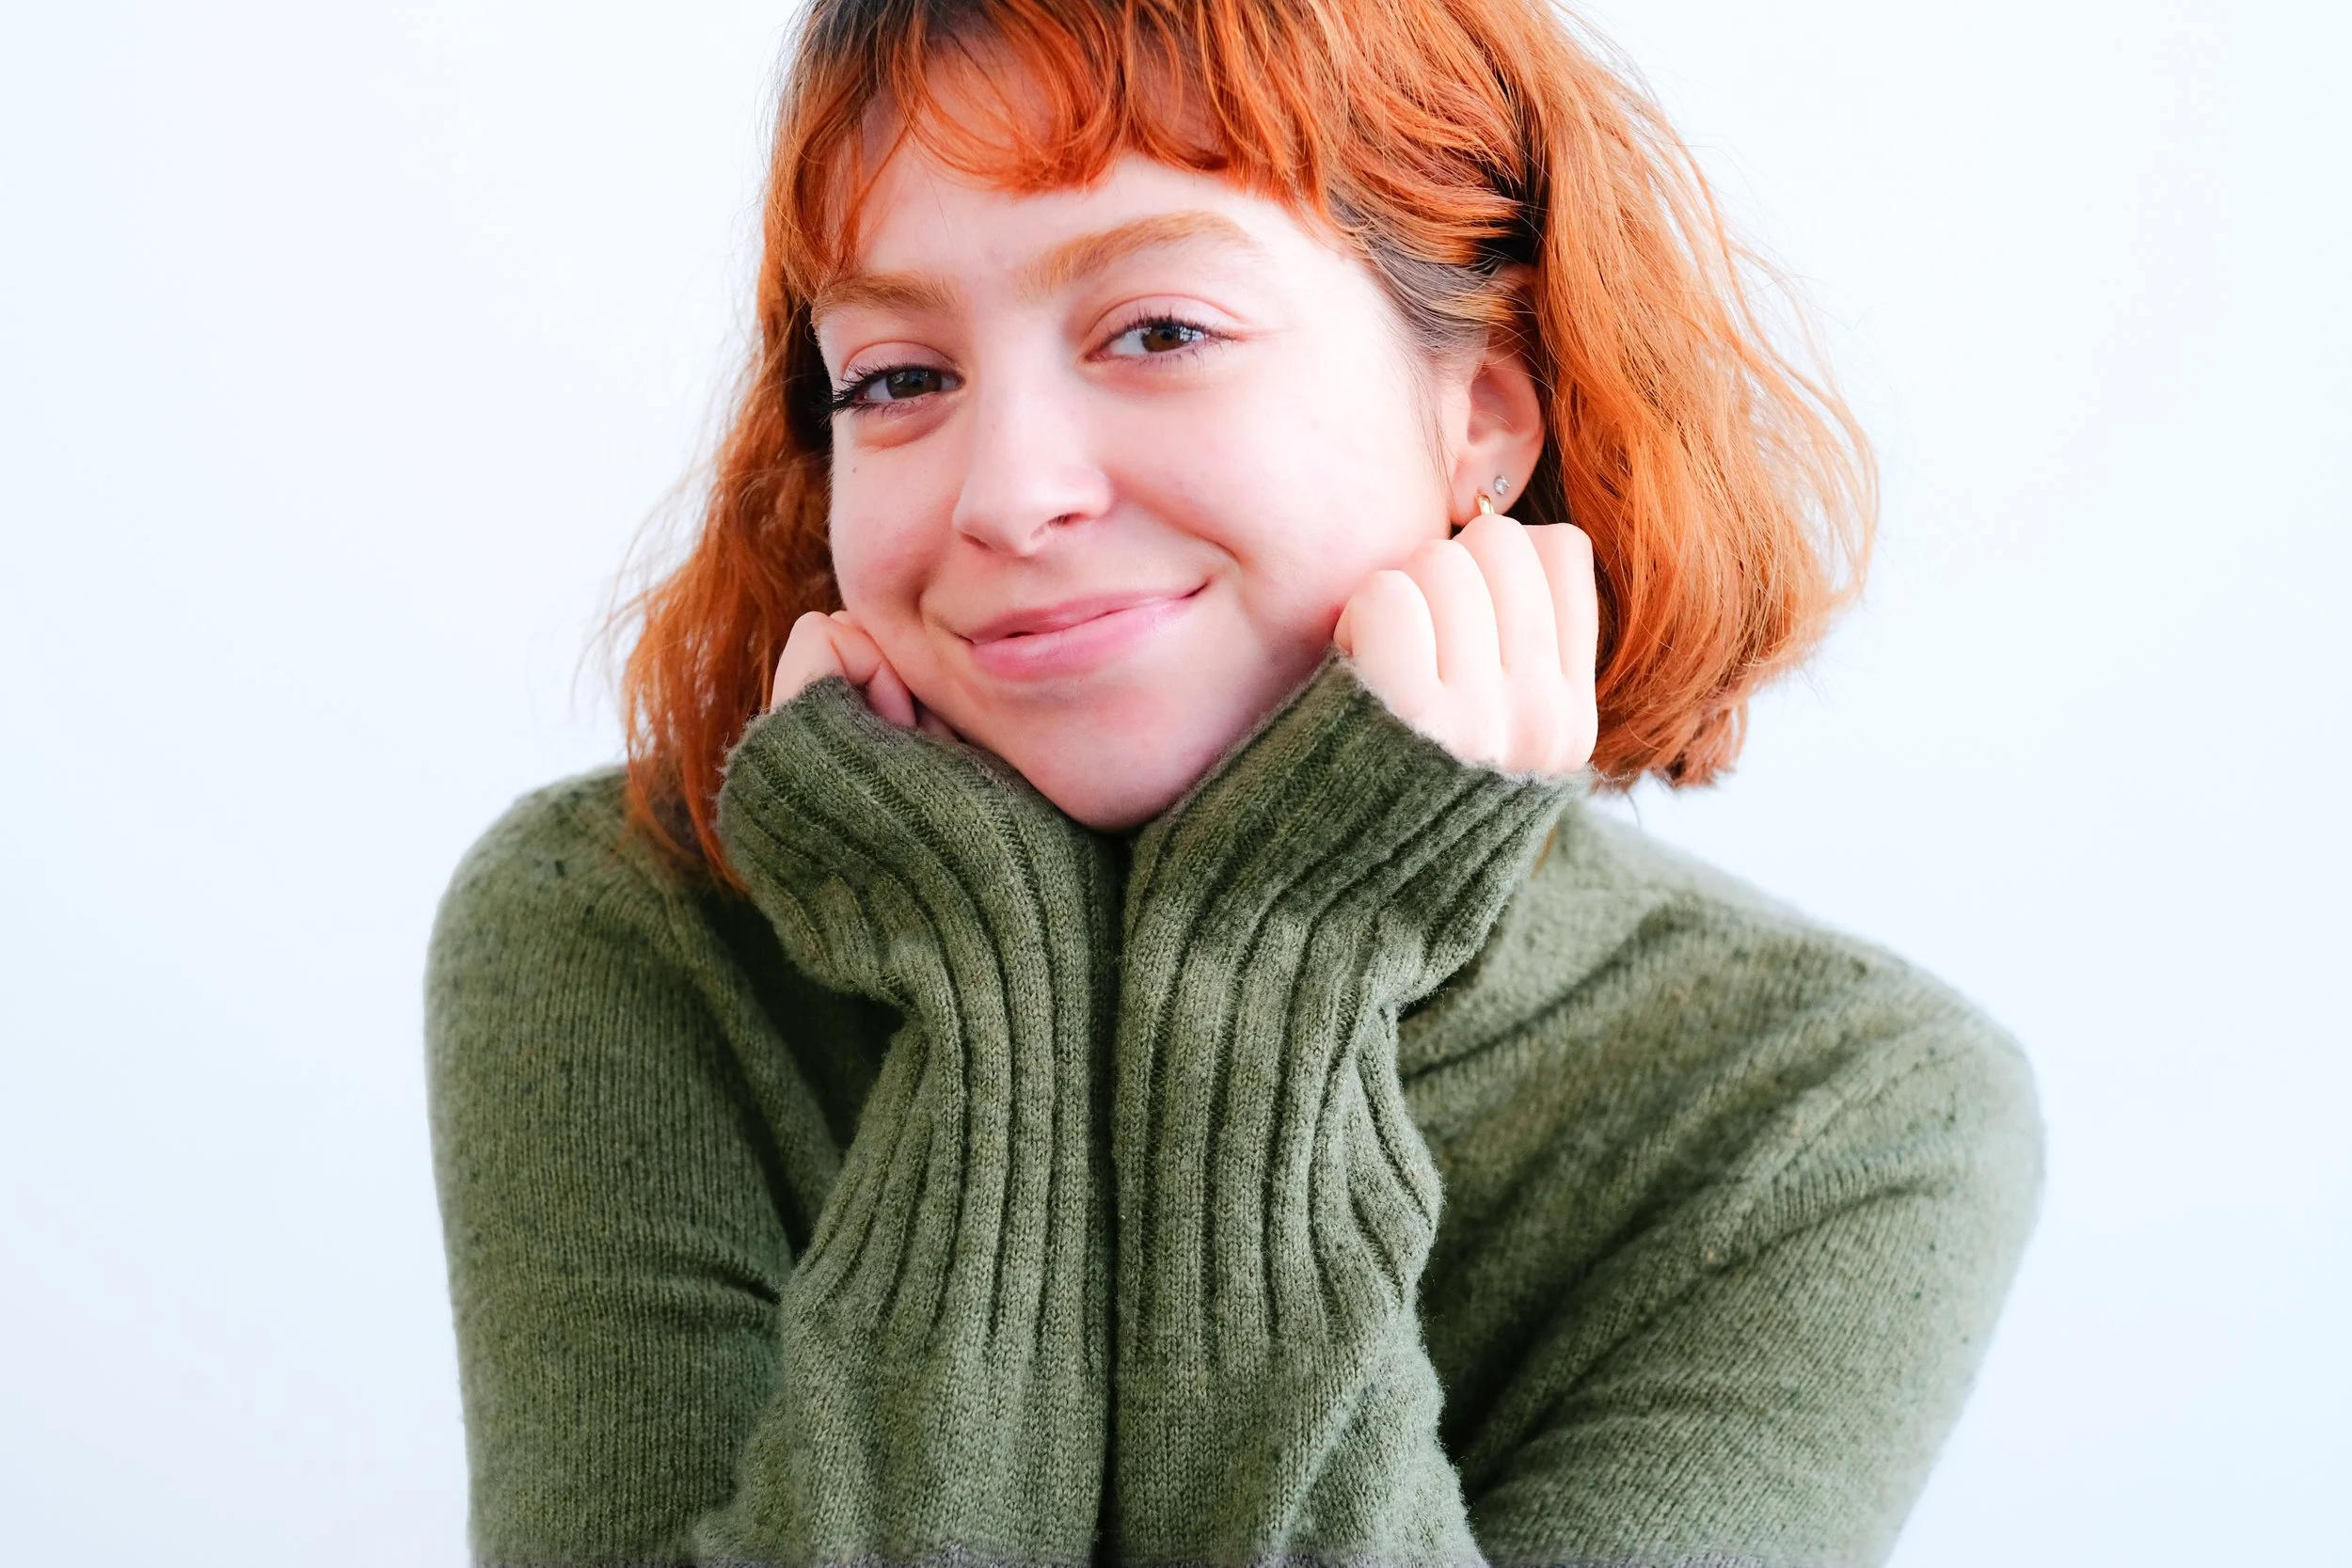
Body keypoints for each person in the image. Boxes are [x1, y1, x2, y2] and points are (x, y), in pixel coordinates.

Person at [424, 0, 2042, 1563]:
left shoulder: (1844, 1111)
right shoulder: (622, 931)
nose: (1010, 493)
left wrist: (1284, 960)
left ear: (1477, 415)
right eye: (900, 379)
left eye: (1161, 330)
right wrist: (998, 1003)